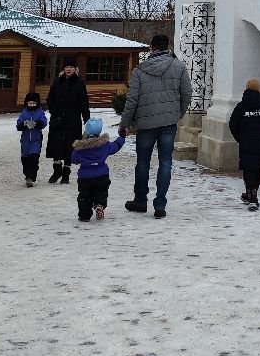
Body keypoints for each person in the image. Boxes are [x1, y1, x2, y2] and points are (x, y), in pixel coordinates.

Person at [120, 33, 193, 219]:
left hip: (145, 123)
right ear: (167, 47)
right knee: (165, 162)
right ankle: (160, 205)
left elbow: (132, 100)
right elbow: (187, 93)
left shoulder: (140, 70)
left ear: (152, 48)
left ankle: (140, 201)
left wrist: (125, 123)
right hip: (168, 122)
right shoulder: (179, 66)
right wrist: (177, 113)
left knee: (143, 162)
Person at [228, 78, 260, 210]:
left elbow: (233, 124)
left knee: (248, 169)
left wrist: (240, 138)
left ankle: (250, 194)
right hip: (259, 144)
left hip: (245, 143)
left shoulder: (240, 107)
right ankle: (253, 193)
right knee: (256, 169)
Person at [70, 117, 126, 222]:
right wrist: (122, 137)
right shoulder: (104, 145)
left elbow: (74, 159)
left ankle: (84, 215)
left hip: (85, 177)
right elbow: (116, 146)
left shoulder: (80, 147)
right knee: (101, 192)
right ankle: (99, 204)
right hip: (102, 175)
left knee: (84, 197)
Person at [45, 62, 90, 185]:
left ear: (75, 69)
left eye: (71, 67)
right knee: (56, 145)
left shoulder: (79, 83)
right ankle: (57, 171)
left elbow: (84, 102)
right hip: (58, 119)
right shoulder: (57, 82)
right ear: (63, 69)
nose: (68, 69)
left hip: (73, 120)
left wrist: (87, 119)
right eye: (66, 67)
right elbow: (50, 99)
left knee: (69, 147)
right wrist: (55, 112)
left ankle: (66, 173)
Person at [15, 92, 47, 187]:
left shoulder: (40, 112)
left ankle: (31, 177)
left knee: (33, 158)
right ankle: (27, 175)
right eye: (30, 103)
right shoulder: (24, 113)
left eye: (34, 103)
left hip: (36, 139)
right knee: (25, 159)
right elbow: (18, 125)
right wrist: (24, 124)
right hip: (25, 140)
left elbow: (44, 122)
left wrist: (37, 124)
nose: (32, 105)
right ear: (27, 103)